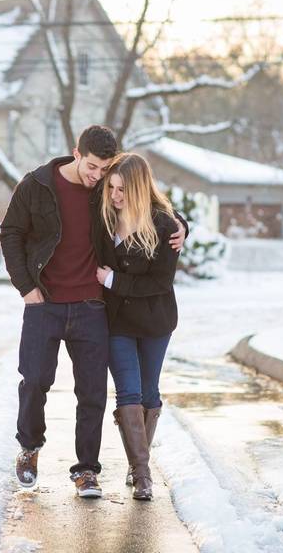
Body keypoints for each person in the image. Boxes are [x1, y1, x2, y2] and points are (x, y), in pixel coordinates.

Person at [0, 125, 118, 498]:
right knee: (34, 380)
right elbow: (10, 233)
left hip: (91, 306)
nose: (97, 176)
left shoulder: (107, 186)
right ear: (76, 153)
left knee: (93, 391)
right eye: (93, 167)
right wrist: (26, 287)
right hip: (44, 303)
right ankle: (29, 449)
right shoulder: (36, 184)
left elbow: (151, 204)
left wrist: (180, 223)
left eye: (105, 169)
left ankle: (86, 471)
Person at [93, 152, 186, 501]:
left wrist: (113, 280)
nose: (115, 196)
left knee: (149, 393)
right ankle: (142, 474)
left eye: (122, 189)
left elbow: (161, 282)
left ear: (139, 189)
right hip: (116, 322)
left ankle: (138, 467)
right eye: (112, 187)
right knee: (128, 393)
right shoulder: (103, 219)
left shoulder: (164, 225)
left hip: (154, 321)